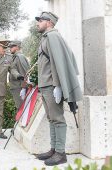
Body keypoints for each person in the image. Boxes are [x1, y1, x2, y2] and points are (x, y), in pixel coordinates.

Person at [35, 11, 83, 166]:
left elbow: (58, 63)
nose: (38, 23)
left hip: (51, 85)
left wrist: (58, 86)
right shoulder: (46, 38)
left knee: (58, 119)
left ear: (49, 22)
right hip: (45, 85)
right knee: (51, 119)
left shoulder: (53, 37)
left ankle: (60, 153)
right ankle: (54, 149)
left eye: (40, 20)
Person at [9, 41, 30, 110]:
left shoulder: (19, 57)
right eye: (10, 47)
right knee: (21, 109)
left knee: (22, 109)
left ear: (17, 47)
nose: (10, 48)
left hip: (19, 88)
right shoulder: (14, 58)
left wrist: (24, 88)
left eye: (12, 46)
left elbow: (25, 73)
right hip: (17, 87)